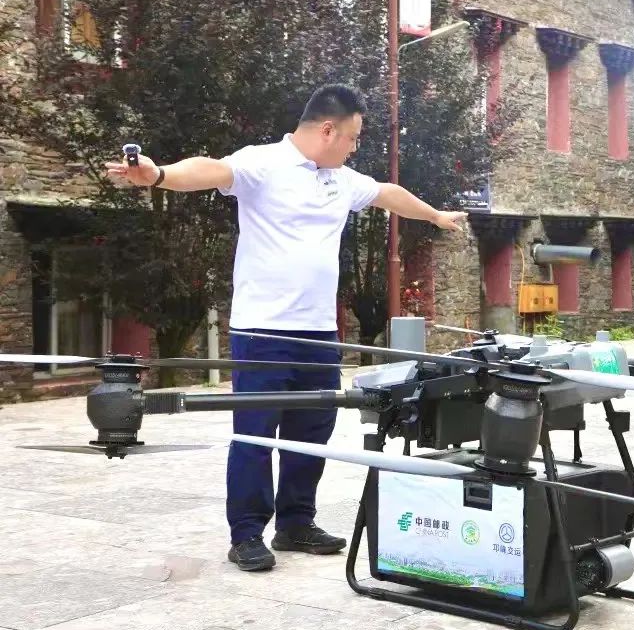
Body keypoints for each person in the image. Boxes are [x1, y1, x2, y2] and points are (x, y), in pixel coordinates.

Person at [105, 84, 466, 572]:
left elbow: (387, 193)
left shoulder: (340, 179)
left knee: (312, 430)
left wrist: (434, 215)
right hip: (263, 333)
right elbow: (211, 170)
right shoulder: (263, 163)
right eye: (353, 137)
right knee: (256, 433)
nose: (355, 147)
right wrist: (160, 174)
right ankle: (246, 533)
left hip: (318, 334)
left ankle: (296, 522)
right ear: (328, 130)